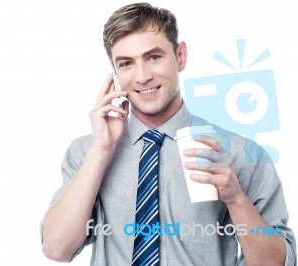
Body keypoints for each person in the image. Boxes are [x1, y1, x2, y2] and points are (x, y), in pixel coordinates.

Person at [41, 3, 296, 265]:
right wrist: (101, 150)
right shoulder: (87, 152)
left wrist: (235, 198)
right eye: (127, 63)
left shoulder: (242, 154)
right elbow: (56, 249)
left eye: (154, 57)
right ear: (115, 73)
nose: (142, 76)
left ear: (180, 56)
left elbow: (278, 262)